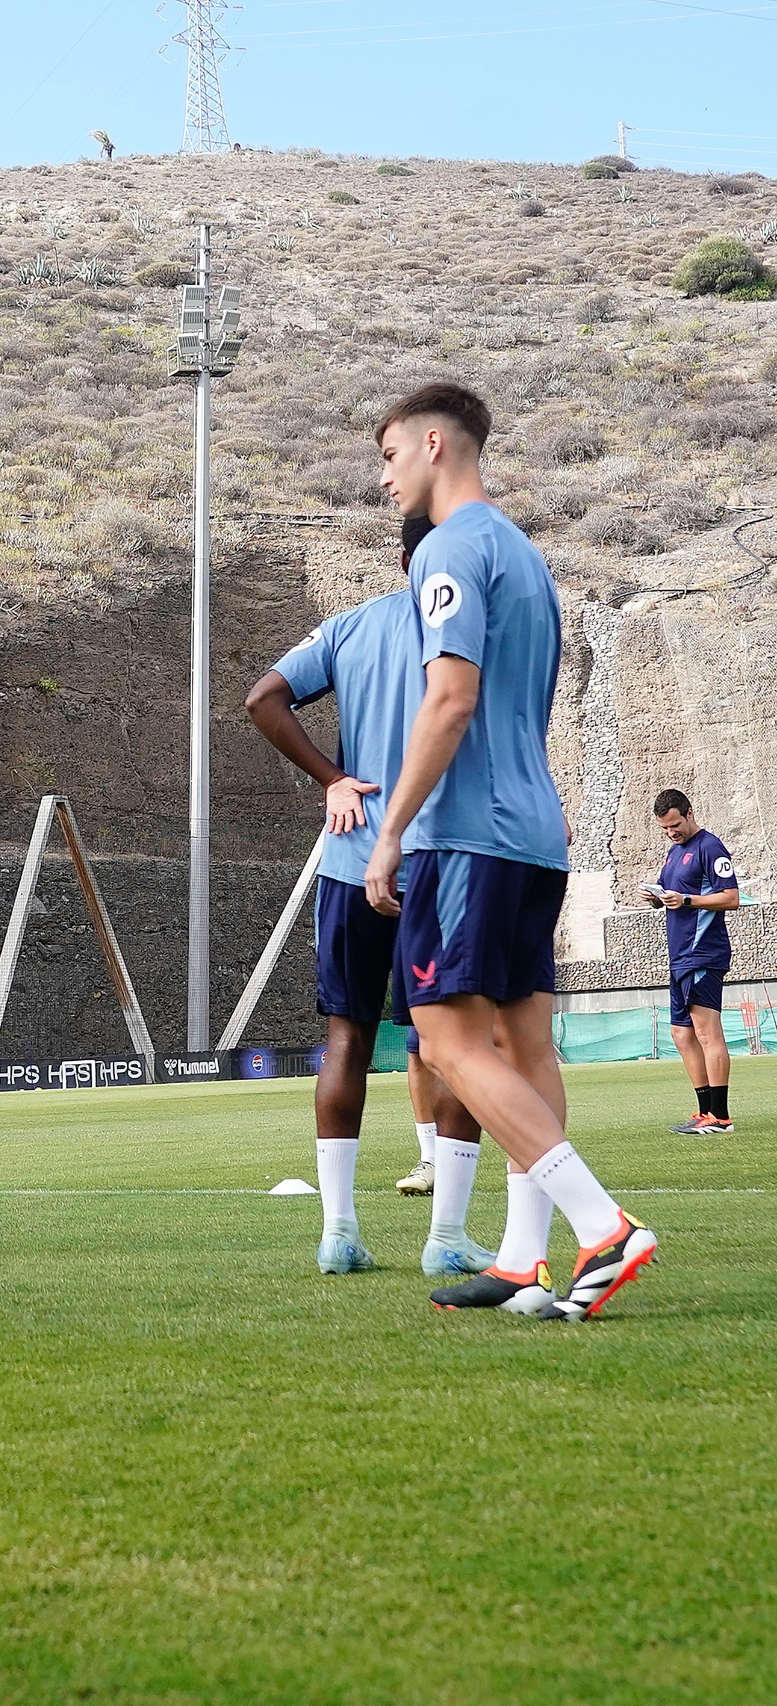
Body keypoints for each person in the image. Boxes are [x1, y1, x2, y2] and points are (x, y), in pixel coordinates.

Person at [363, 381, 656, 1321]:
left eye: (390, 456)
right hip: (536, 835)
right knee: (526, 1046)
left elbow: (449, 702)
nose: (385, 478)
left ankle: (602, 1224)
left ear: (437, 446)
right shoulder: (525, 555)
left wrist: (393, 827)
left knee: (445, 1039)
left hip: (472, 834)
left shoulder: (448, 549)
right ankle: (527, 1259)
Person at [245, 516, 493, 1279]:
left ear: (400, 558)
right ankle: (447, 1236)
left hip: (352, 863)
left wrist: (334, 779)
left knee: (347, 1039)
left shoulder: (350, 628)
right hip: (444, 862)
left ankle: (338, 1233)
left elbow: (262, 698)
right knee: (460, 1046)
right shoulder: (476, 628)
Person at [645, 788, 740, 1134]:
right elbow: (674, 897)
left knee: (706, 1032)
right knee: (681, 1034)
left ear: (688, 812)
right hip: (679, 956)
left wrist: (686, 900)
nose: (672, 833)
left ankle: (721, 1116)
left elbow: (731, 898)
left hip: (703, 953)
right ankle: (704, 1112)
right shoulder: (674, 854)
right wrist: (656, 898)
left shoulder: (709, 847)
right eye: (665, 829)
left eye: (675, 825)